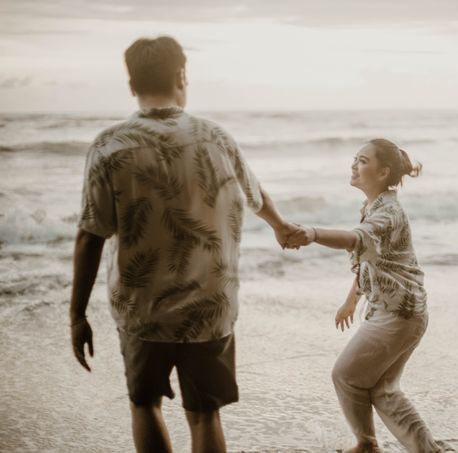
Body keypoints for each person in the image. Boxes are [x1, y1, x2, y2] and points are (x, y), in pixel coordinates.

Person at [69, 36, 297, 453]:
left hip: (143, 310)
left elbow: (91, 234)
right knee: (205, 413)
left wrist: (77, 315)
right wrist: (281, 227)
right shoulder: (216, 138)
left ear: (131, 85)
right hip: (210, 307)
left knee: (144, 404)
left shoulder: (109, 146)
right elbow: (257, 196)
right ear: (181, 77)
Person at [286, 138, 441, 453]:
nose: (354, 164)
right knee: (384, 390)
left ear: (383, 172)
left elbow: (356, 240)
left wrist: (313, 233)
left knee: (346, 375)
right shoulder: (374, 206)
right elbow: (371, 261)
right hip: (402, 311)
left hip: (399, 314)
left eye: (363, 160)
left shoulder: (388, 213)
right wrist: (352, 300)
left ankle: (367, 444)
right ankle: (426, 450)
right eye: (355, 158)